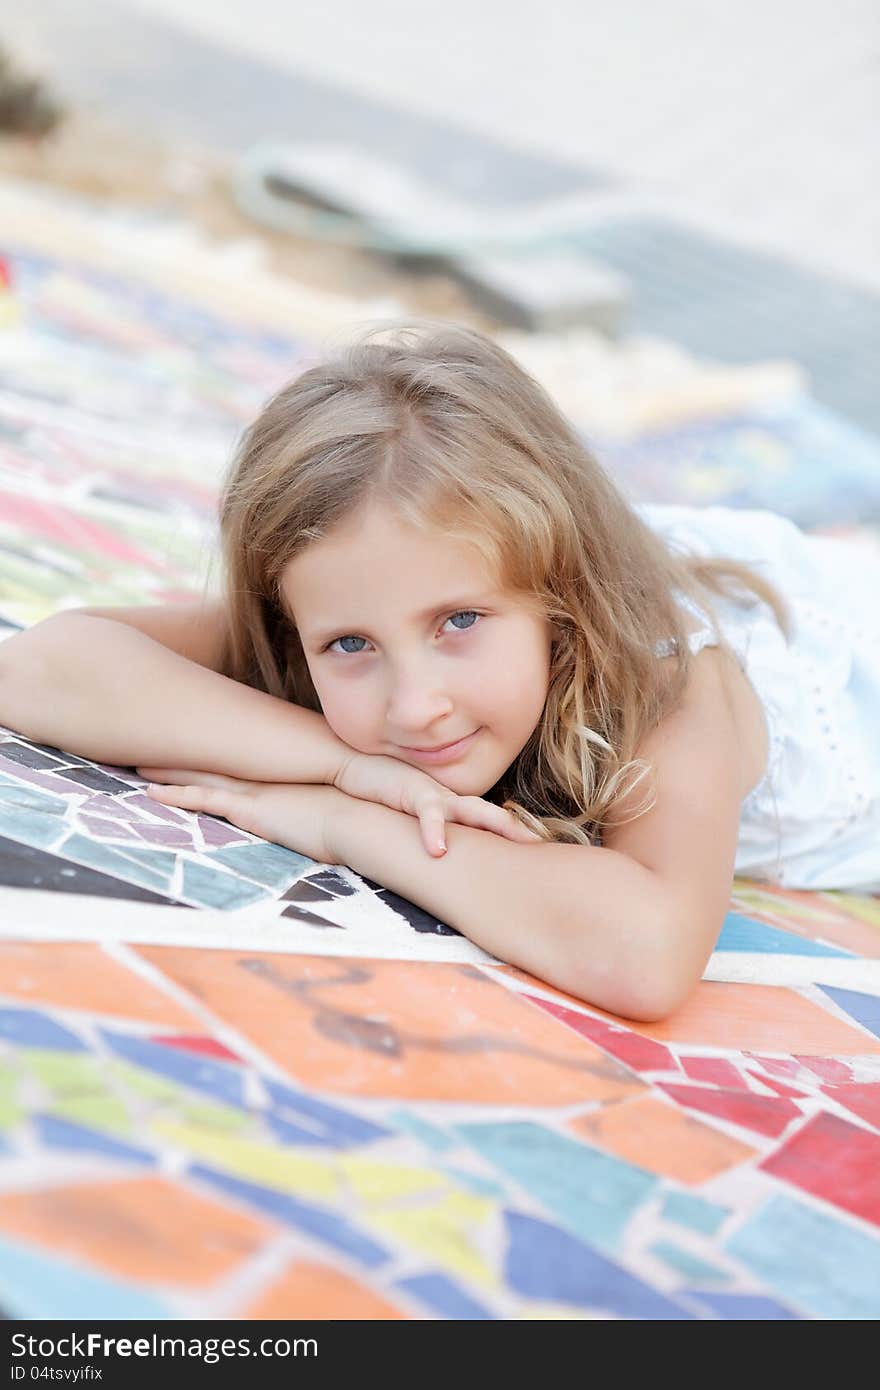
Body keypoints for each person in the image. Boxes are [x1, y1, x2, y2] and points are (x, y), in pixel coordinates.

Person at [2, 322, 877, 1021]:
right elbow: (36, 670)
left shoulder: (679, 683)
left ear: (558, 597)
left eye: (459, 623)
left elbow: (644, 955)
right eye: (350, 647)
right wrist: (343, 760)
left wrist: (344, 822)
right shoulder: (388, 573)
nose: (414, 709)